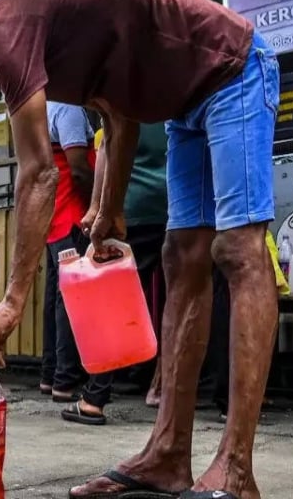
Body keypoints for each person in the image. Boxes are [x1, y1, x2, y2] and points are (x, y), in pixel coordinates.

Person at [0, 0, 280, 499]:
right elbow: (120, 117)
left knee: (239, 251)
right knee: (182, 256)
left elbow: (39, 174)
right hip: (183, 106)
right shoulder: (32, 45)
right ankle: (169, 454)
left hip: (233, 68)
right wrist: (108, 209)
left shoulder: (3, 35)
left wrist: (12, 302)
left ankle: (237, 470)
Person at [38, 102, 106, 421]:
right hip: (73, 218)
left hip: (56, 218)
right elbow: (78, 168)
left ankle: (51, 375)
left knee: (57, 297)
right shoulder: (69, 109)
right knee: (72, 300)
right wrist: (101, 205)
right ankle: (65, 379)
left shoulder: (43, 107)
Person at [94, 124, 170, 407]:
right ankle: (161, 387)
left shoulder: (127, 97)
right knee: (173, 302)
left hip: (133, 210)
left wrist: (100, 209)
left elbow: (108, 149)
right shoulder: (181, 94)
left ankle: (95, 395)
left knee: (114, 300)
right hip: (177, 208)